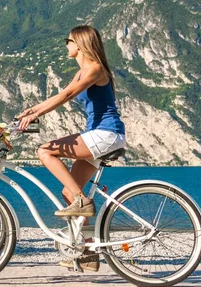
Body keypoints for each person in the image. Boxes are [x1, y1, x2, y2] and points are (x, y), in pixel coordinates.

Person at [16, 25, 126, 272]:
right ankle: (86, 252)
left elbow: (67, 95)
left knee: (45, 151)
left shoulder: (95, 69)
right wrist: (31, 111)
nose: (65, 45)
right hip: (97, 135)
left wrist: (37, 114)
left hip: (107, 134)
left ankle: (82, 200)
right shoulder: (80, 73)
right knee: (68, 192)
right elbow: (60, 94)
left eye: (68, 40)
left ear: (79, 43)